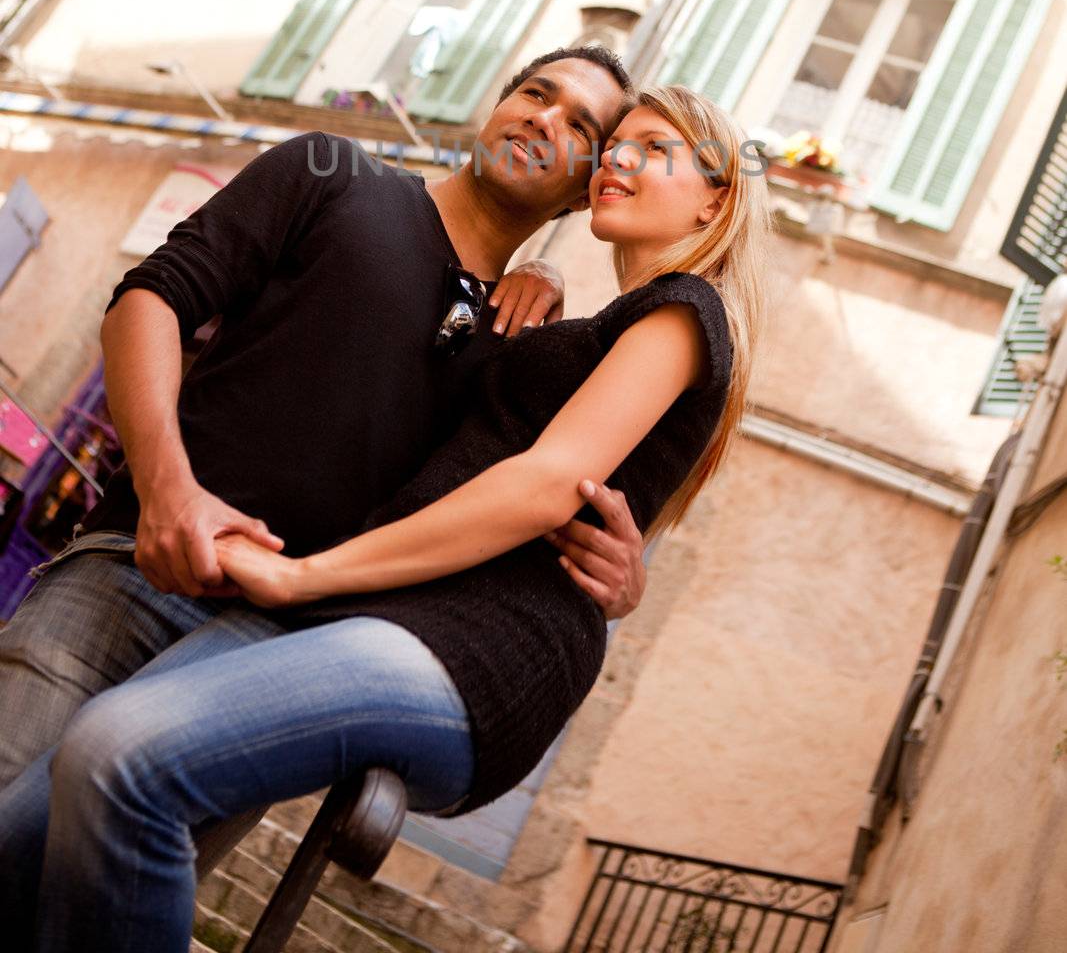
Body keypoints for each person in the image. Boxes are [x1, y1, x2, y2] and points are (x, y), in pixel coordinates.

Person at [0, 84, 771, 953]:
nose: (608, 155)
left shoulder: (656, 313)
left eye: (633, 145)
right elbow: (156, 297)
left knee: (118, 763)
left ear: (715, 194)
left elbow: (551, 479)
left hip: (346, 619)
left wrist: (304, 576)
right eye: (540, 97)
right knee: (34, 831)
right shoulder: (378, 209)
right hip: (198, 583)